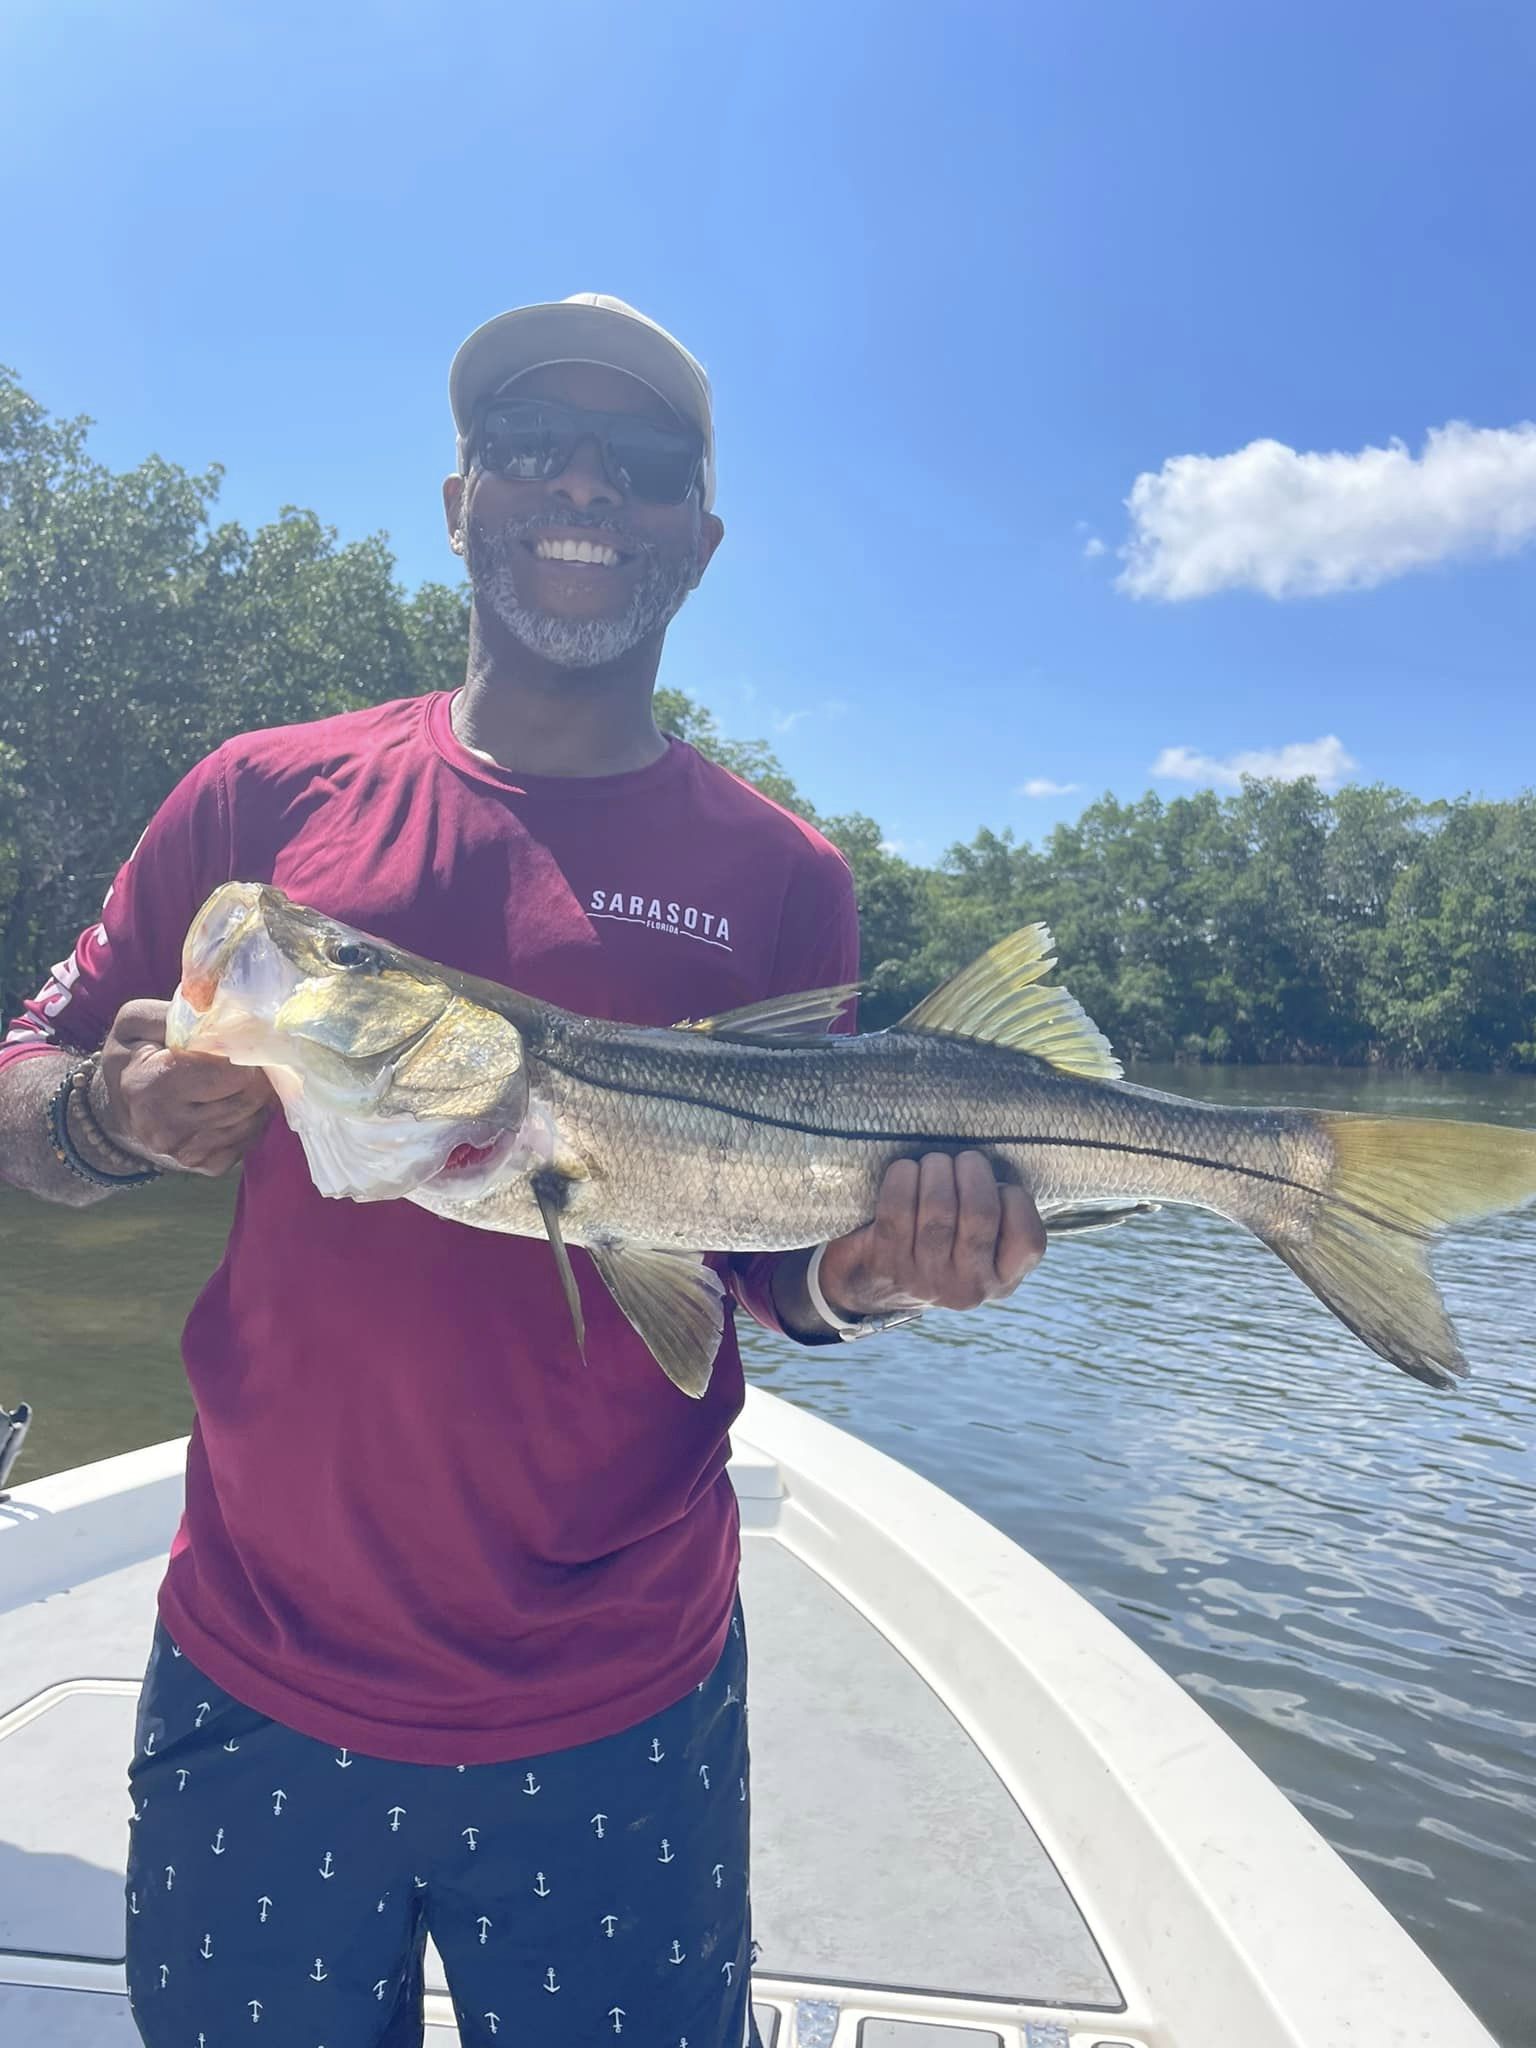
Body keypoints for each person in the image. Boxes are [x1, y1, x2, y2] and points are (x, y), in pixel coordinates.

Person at [0, 294, 1045, 2048]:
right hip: (258, 1666)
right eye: (528, 447)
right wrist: (110, 1120)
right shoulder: (261, 802)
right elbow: (24, 1081)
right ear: (457, 500)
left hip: (624, 1699)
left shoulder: (785, 874)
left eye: (638, 463)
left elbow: (757, 1267)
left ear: (697, 538)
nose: (581, 486)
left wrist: (873, 1277)